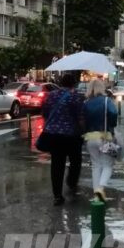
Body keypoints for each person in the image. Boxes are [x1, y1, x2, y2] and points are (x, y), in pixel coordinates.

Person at [40, 72, 85, 206]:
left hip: (54, 135)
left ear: (60, 83)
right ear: (74, 84)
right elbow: (81, 117)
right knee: (76, 160)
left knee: (56, 165)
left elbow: (45, 113)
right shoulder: (76, 97)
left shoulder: (51, 95)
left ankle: (57, 196)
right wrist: (84, 131)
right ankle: (71, 182)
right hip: (72, 136)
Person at [83, 79, 118, 202]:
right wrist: (111, 125)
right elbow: (113, 113)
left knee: (96, 166)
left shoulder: (86, 103)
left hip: (90, 138)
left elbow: (83, 120)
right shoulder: (107, 101)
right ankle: (100, 189)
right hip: (105, 137)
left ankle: (96, 195)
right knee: (108, 165)